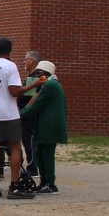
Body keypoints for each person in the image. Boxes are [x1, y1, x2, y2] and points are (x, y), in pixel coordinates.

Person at [0, 37, 42, 199]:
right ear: (10, 50)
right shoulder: (10, 66)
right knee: (15, 146)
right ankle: (14, 186)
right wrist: (34, 85)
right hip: (8, 113)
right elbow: (14, 91)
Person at [20, 60, 68, 194]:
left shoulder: (51, 85)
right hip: (44, 123)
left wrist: (19, 115)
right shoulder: (48, 84)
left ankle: (51, 184)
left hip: (50, 124)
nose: (36, 75)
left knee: (47, 155)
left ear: (46, 73)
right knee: (40, 153)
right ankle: (44, 182)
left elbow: (37, 105)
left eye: (38, 73)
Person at [19, 50, 42, 176]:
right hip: (26, 113)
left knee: (29, 139)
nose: (24, 61)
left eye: (26, 59)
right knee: (27, 139)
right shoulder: (32, 76)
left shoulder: (36, 76)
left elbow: (34, 96)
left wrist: (25, 110)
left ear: (32, 61)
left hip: (29, 114)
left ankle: (33, 168)